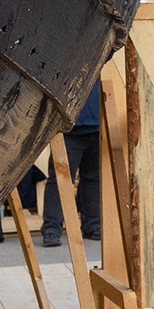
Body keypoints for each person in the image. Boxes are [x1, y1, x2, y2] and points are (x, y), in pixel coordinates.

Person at [39, 83, 105, 247]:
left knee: (93, 178)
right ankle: (52, 229)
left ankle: (92, 225)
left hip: (98, 122)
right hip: (69, 125)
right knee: (60, 180)